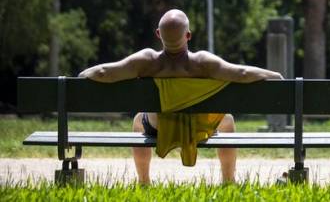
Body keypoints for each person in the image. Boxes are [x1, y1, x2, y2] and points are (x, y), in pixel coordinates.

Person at [79, 9, 283, 184]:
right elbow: (242, 74)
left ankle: (143, 182)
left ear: (158, 34)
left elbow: (106, 72)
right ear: (188, 35)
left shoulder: (147, 60)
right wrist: (273, 76)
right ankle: (228, 181)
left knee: (138, 121)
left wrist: (81, 76)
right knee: (227, 120)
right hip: (198, 127)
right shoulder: (203, 61)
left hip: (159, 128)